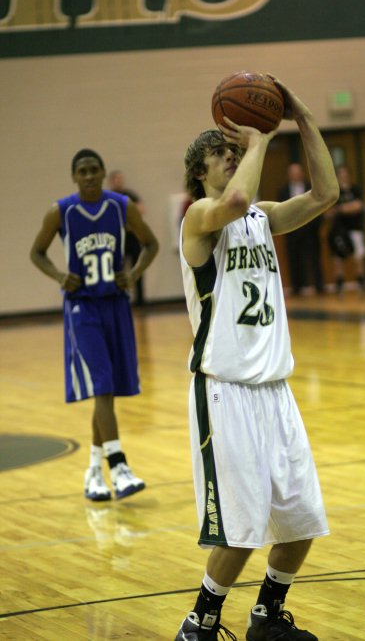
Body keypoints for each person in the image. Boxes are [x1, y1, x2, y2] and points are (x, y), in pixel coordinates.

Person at [176, 78, 339, 641]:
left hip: (276, 390)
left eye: (233, 151)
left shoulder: (262, 220)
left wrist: (304, 116)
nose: (231, 157)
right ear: (199, 171)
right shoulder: (198, 218)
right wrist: (260, 138)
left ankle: (267, 616)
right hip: (225, 390)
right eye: (220, 153)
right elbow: (235, 200)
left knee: (300, 519)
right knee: (240, 531)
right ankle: (198, 624)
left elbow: (325, 196)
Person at [30, 149, 159, 502]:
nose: (88, 176)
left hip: (116, 306)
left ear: (102, 172)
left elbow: (151, 244)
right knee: (101, 387)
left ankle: (92, 473)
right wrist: (59, 275)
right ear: (74, 176)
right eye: (82, 171)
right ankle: (118, 466)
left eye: (93, 169)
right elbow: (36, 252)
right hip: (82, 309)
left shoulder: (121, 206)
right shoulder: (62, 211)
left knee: (109, 390)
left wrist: (132, 275)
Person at [277, 163, 324, 295]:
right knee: (293, 259)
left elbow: (318, 207)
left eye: (298, 172)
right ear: (289, 175)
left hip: (310, 231)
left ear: (302, 173)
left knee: (314, 258)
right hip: (291, 232)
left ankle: (319, 286)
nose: (295, 174)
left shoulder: (311, 188)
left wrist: (314, 226)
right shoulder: (283, 190)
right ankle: (296, 287)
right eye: (293, 172)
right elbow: (280, 210)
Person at [328, 165, 365, 294]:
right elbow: (330, 211)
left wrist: (341, 209)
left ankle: (361, 281)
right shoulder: (334, 193)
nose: (343, 176)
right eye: (341, 174)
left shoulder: (355, 189)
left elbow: (358, 206)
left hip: (355, 228)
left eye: (345, 174)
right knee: (338, 257)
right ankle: (340, 284)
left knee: (358, 256)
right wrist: (344, 209)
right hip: (339, 230)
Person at [108, 170, 146, 305]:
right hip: (118, 239)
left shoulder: (129, 195)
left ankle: (140, 300)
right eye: (116, 179)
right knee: (117, 269)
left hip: (132, 236)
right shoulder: (109, 197)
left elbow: (141, 208)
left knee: (137, 266)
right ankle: (117, 296)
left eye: (120, 178)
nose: (119, 181)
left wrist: (127, 210)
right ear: (111, 181)